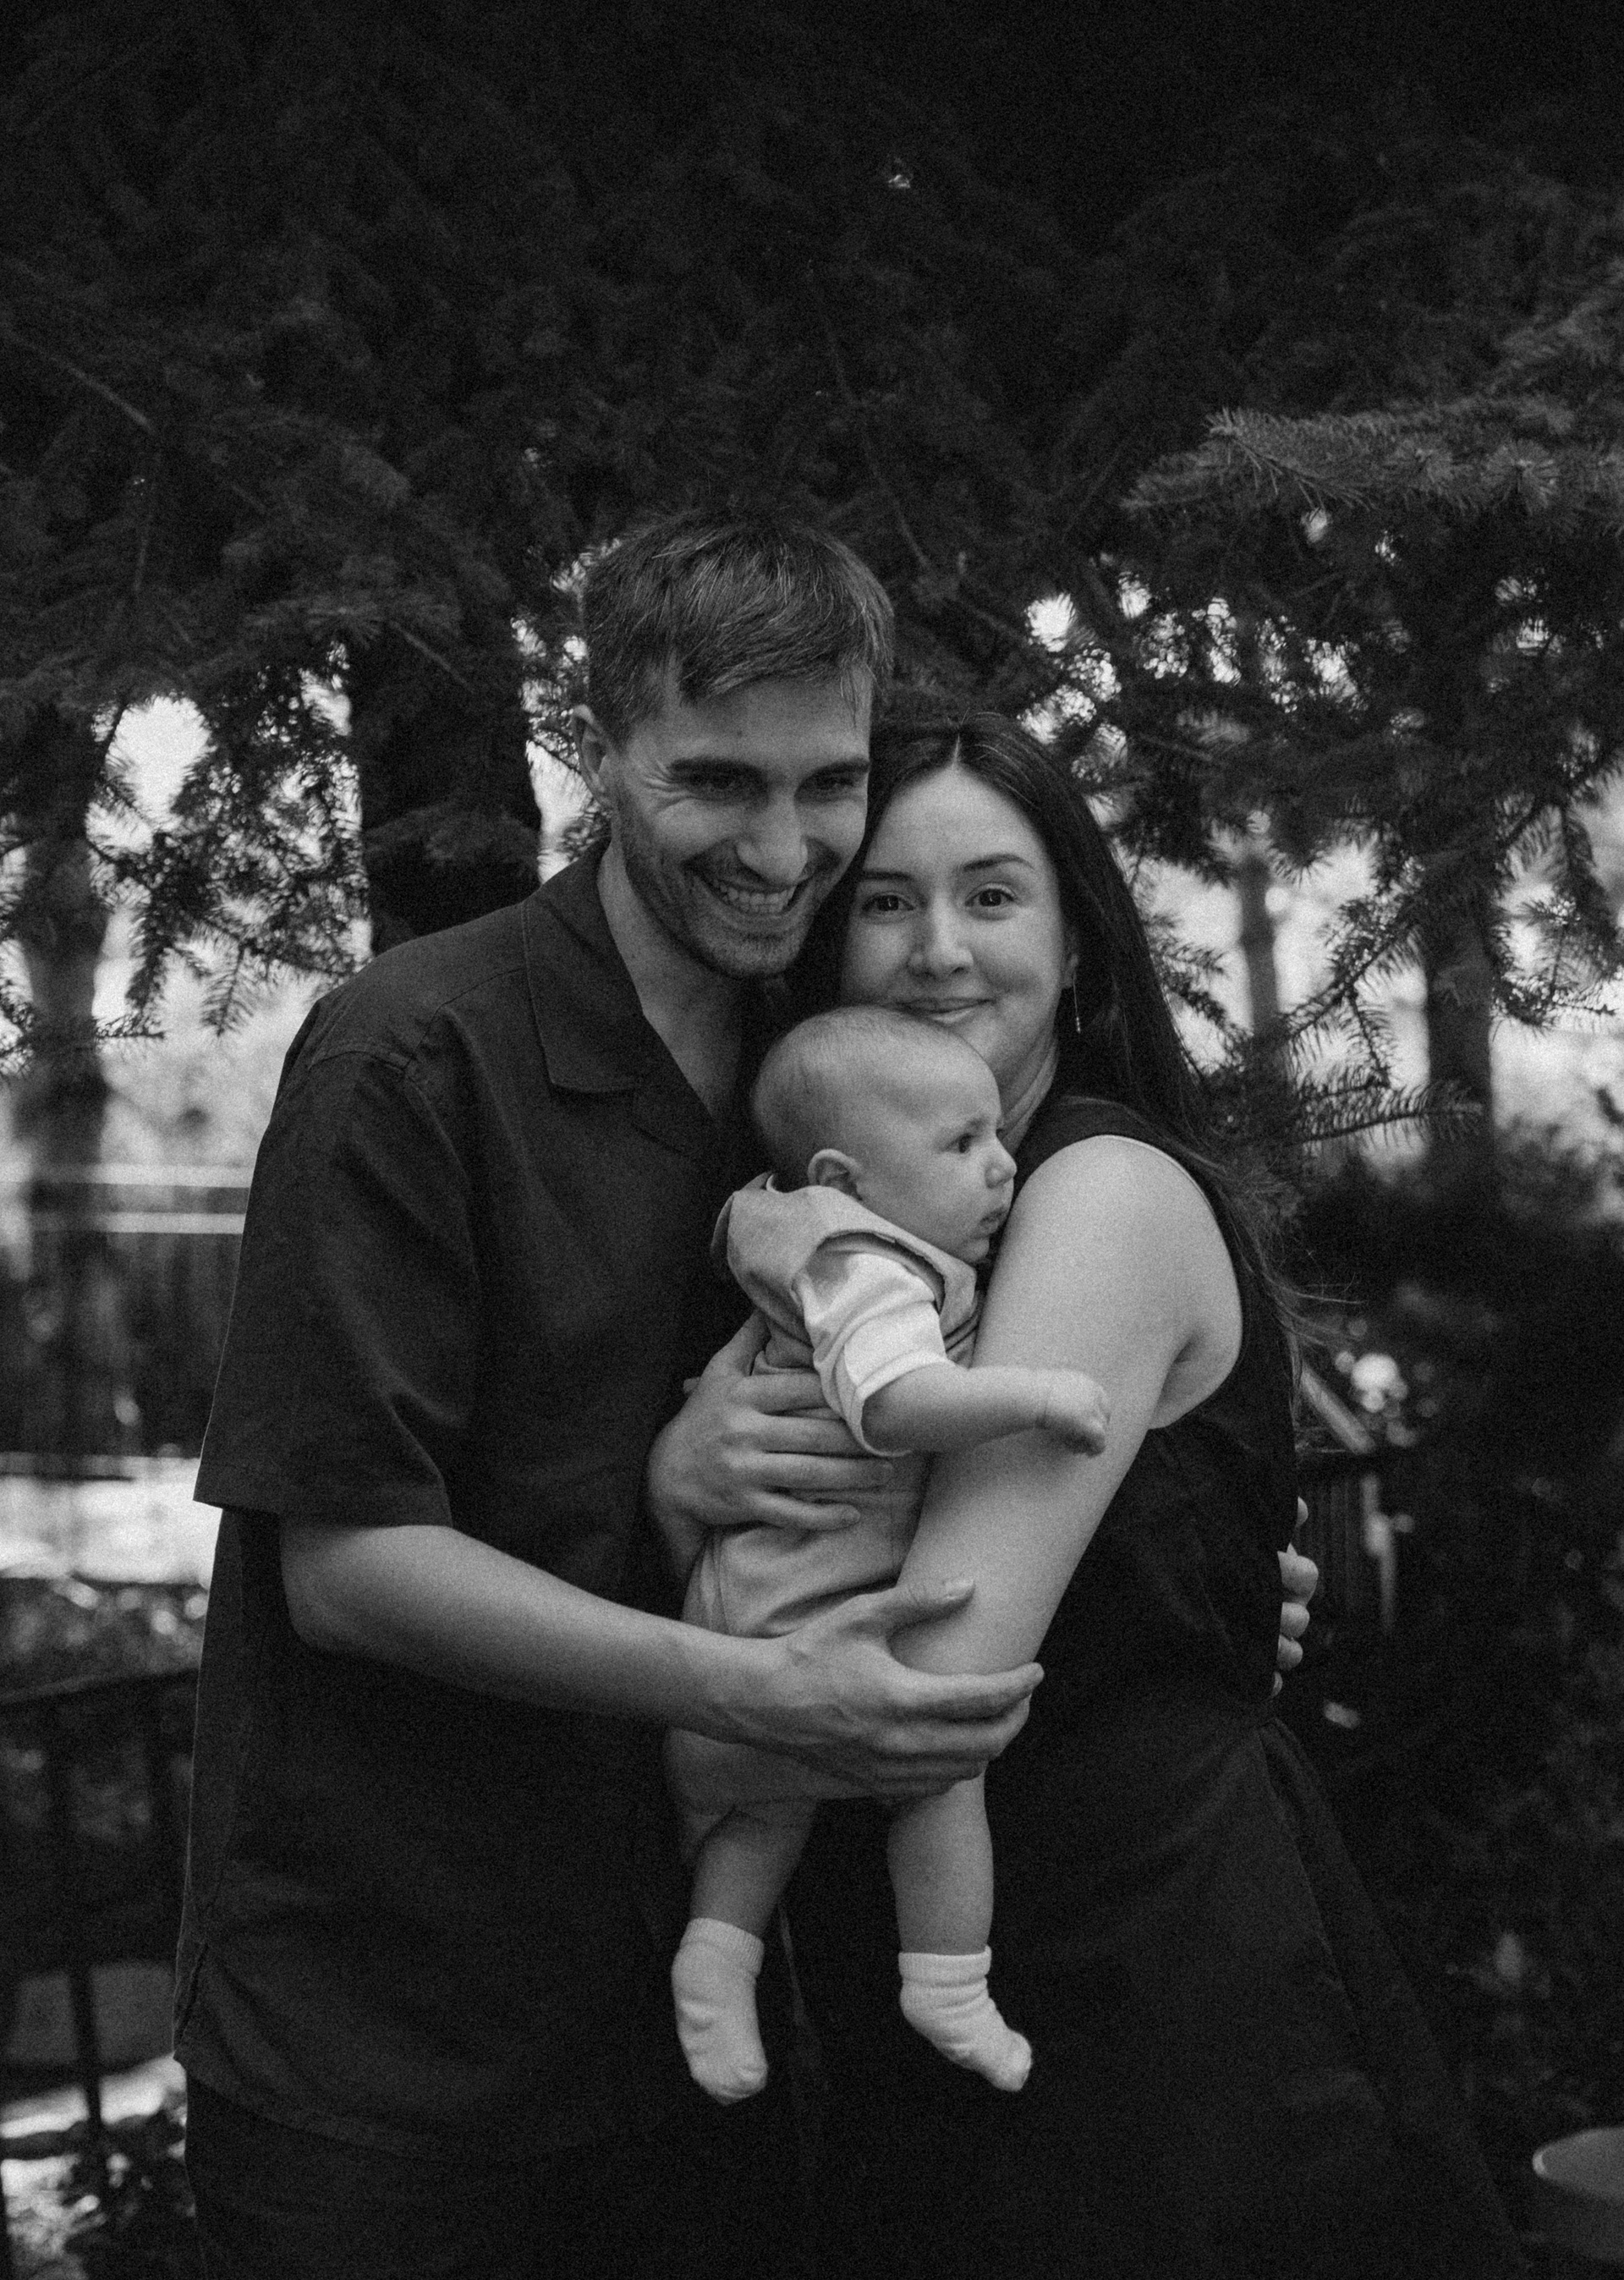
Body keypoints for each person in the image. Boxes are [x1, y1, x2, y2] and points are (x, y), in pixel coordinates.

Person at [172, 515, 1052, 2280]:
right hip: (390, 2053)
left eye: (827, 785)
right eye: (718, 782)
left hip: (694, 2029)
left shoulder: (836, 1069)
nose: (784, 848)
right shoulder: (413, 1052)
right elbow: (345, 1570)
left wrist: (1207, 1562)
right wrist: (770, 1687)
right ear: (601, 744)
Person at [650, 710, 1528, 2280]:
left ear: (1077, 949)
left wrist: (692, 1691)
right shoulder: (861, 1240)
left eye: (992, 895)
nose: (937, 950)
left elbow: (929, 1678)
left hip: (1140, 1995)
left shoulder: (1098, 1192)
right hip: (950, 1983)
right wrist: (678, 1487)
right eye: (886, 901)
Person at [665, 1007, 1111, 2105]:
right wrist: (1033, 1397)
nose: (1003, 1166)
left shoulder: (838, 1239)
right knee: (924, 1774)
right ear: (842, 1179)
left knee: (780, 1805)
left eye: (997, 1134)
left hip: (792, 1573)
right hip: (801, 1583)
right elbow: (897, 1404)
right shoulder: (863, 1266)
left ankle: (720, 1965)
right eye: (962, 1144)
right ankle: (942, 1983)